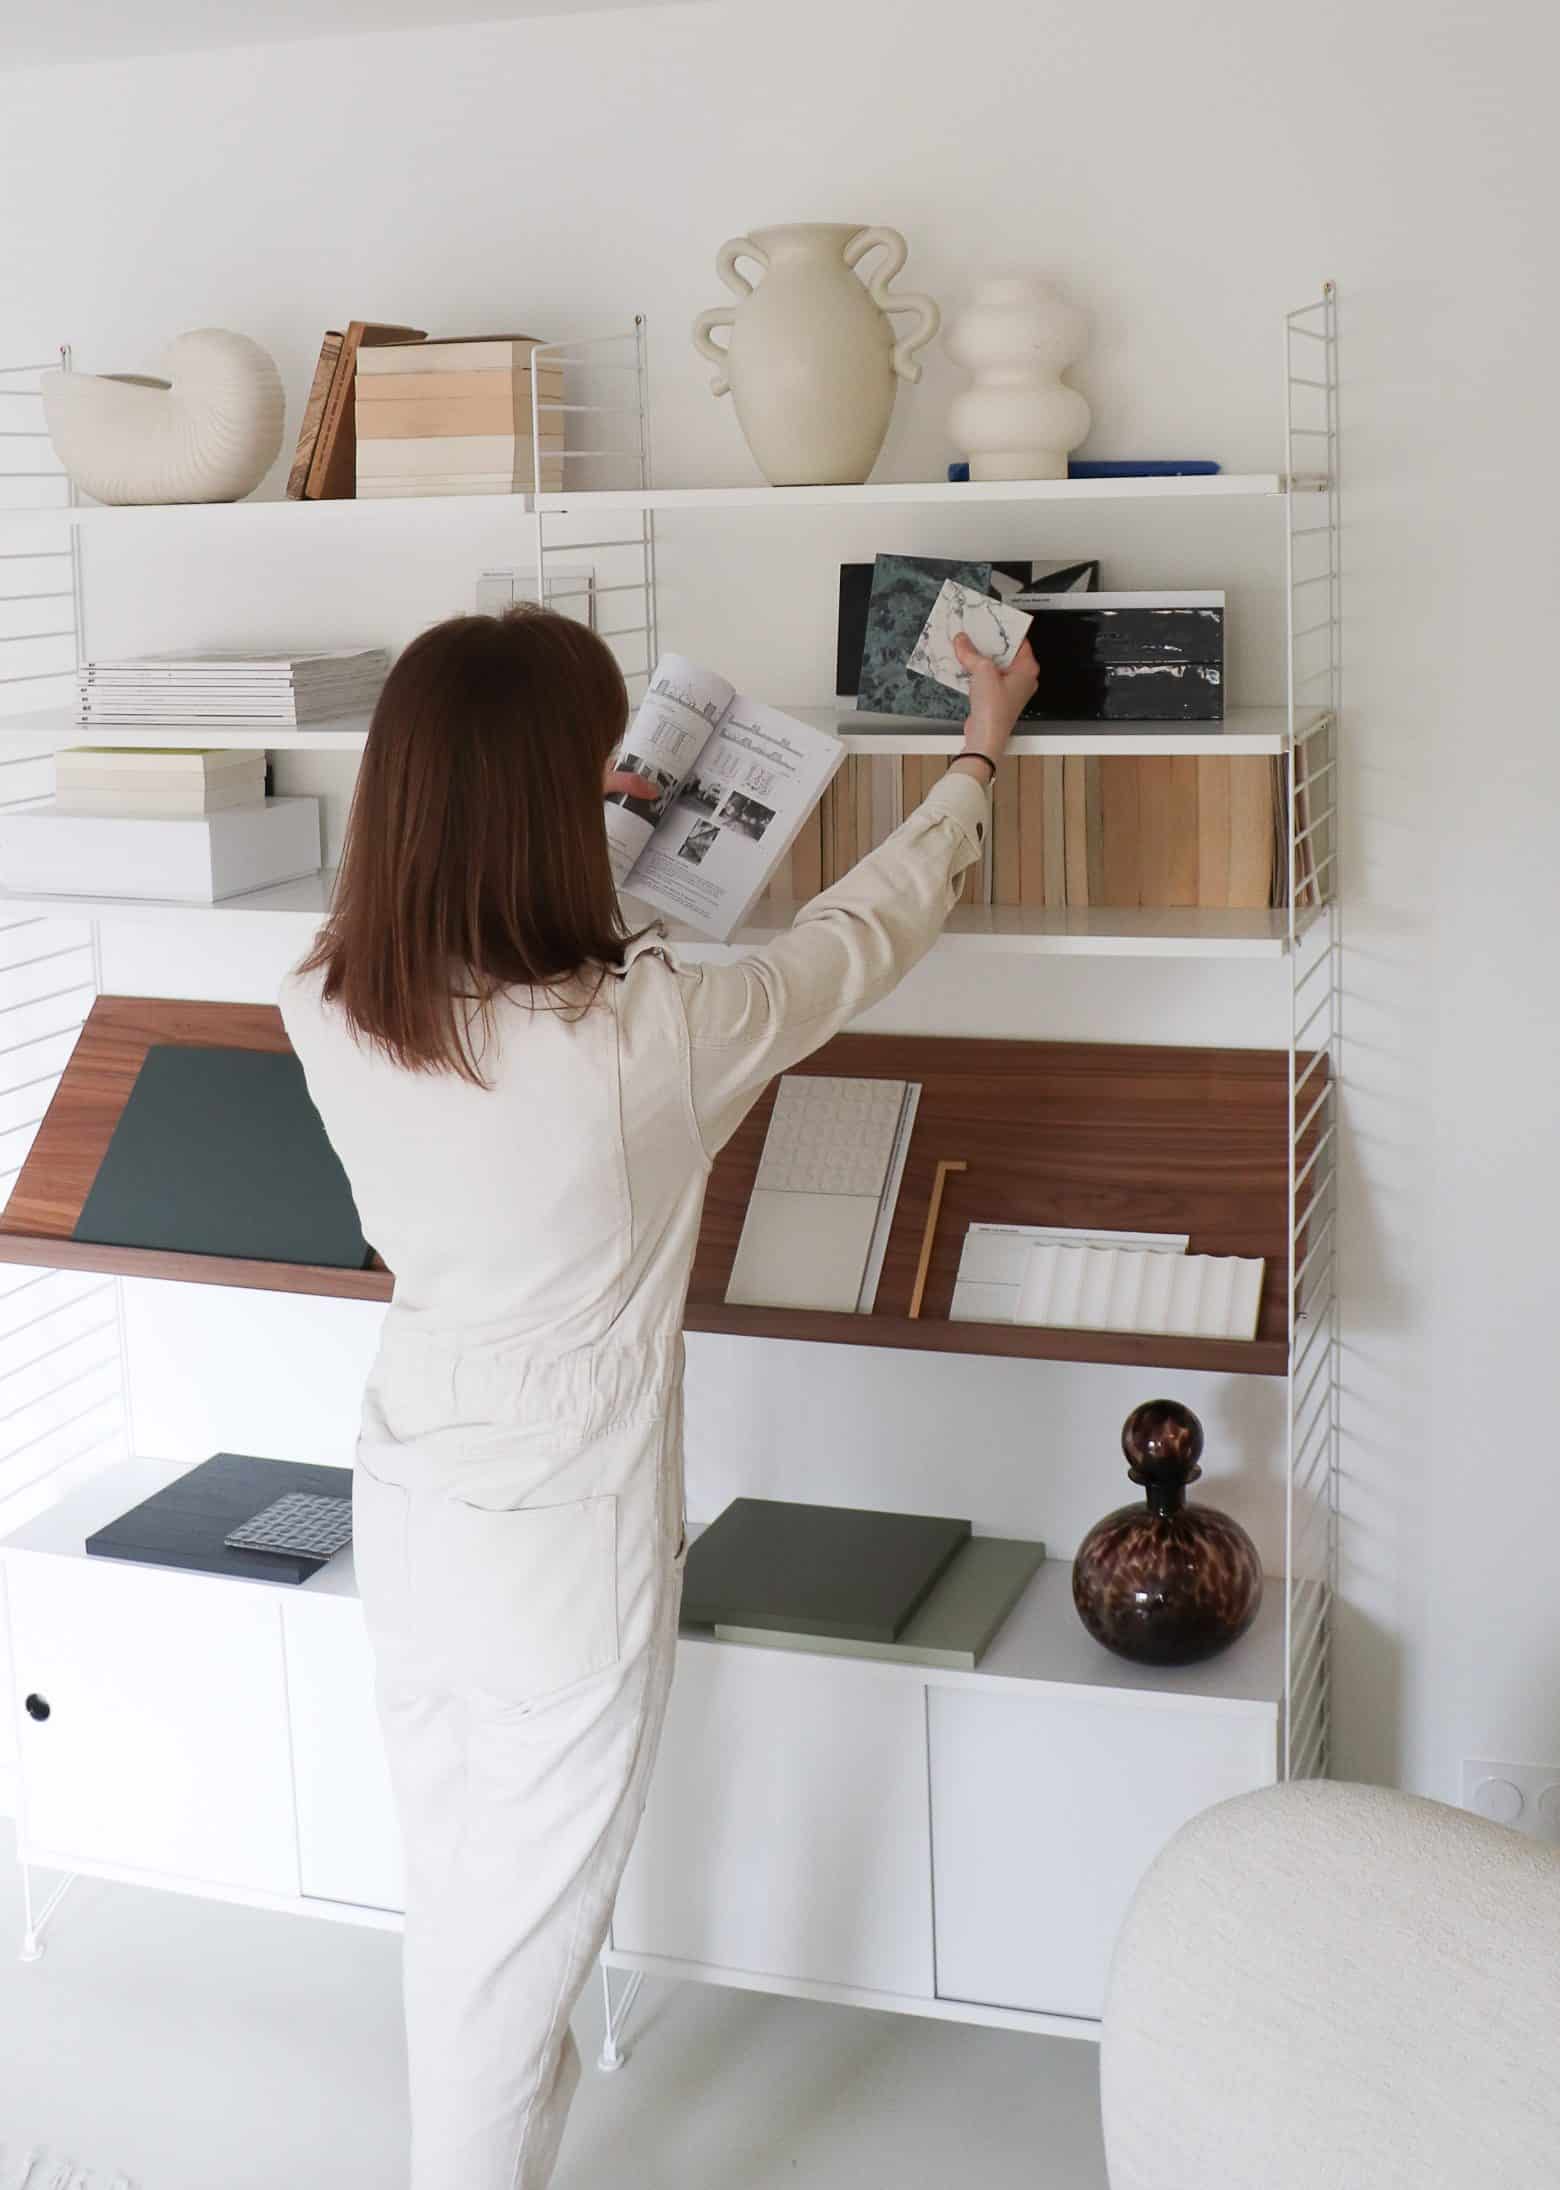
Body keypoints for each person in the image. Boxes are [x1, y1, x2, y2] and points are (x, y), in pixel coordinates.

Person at [279, 608, 1039, 2190]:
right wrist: (979, 751)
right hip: (565, 1551)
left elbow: (509, 949)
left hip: (414, 1500)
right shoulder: (648, 1037)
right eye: (595, 773)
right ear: (549, 805)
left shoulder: (328, 997)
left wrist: (611, 826)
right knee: (516, 1965)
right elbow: (858, 939)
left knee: (465, 1910)